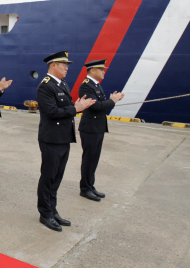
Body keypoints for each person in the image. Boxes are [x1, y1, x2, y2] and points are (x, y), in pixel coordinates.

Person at [36, 51, 95, 232]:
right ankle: (45, 213)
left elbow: (65, 108)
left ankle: (53, 210)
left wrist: (77, 106)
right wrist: (75, 108)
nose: (67, 68)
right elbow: (51, 112)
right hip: (51, 138)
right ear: (54, 65)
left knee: (57, 177)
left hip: (63, 137)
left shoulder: (62, 84)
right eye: (64, 65)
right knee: (48, 176)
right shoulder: (45, 86)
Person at [78, 59, 124, 202]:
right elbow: (96, 106)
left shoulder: (96, 86)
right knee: (89, 158)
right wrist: (113, 101)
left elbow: (102, 104)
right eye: (101, 69)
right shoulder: (86, 86)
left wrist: (110, 100)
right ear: (92, 70)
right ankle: (85, 189)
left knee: (94, 159)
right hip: (90, 128)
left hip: (97, 128)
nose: (104, 71)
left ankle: (90, 186)